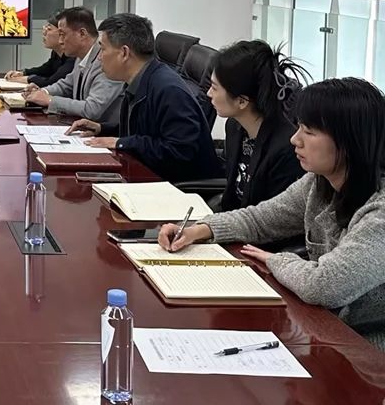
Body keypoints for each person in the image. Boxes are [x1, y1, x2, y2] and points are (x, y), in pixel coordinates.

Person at [158, 78, 385, 351]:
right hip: (325, 331)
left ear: (350, 142)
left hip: (368, 349)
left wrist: (275, 259)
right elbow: (262, 219)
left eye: (309, 131)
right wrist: (201, 229)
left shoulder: (380, 213)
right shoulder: (319, 182)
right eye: (298, 127)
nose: (295, 139)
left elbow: (323, 285)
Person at [70, 13, 221, 182]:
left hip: (176, 188)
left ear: (124, 53)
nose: (99, 57)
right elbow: (144, 130)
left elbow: (179, 151)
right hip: (147, 176)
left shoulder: (169, 90)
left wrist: (121, 143)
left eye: (103, 49)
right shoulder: (139, 80)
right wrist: (102, 128)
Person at [208, 40, 307, 211]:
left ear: (242, 101)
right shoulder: (234, 126)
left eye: (214, 88)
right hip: (233, 221)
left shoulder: (286, 149)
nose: (209, 93)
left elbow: (276, 218)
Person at [23, 6, 122, 123]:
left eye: (62, 34)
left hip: (103, 131)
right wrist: (42, 92)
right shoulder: (81, 56)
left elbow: (92, 109)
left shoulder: (105, 59)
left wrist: (50, 100)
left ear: (82, 34)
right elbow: (66, 84)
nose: (60, 41)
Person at [3, 13, 74, 87]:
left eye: (49, 29)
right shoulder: (56, 53)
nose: (44, 33)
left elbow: (51, 82)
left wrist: (27, 79)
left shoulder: (72, 57)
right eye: (45, 28)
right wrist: (23, 73)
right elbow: (46, 69)